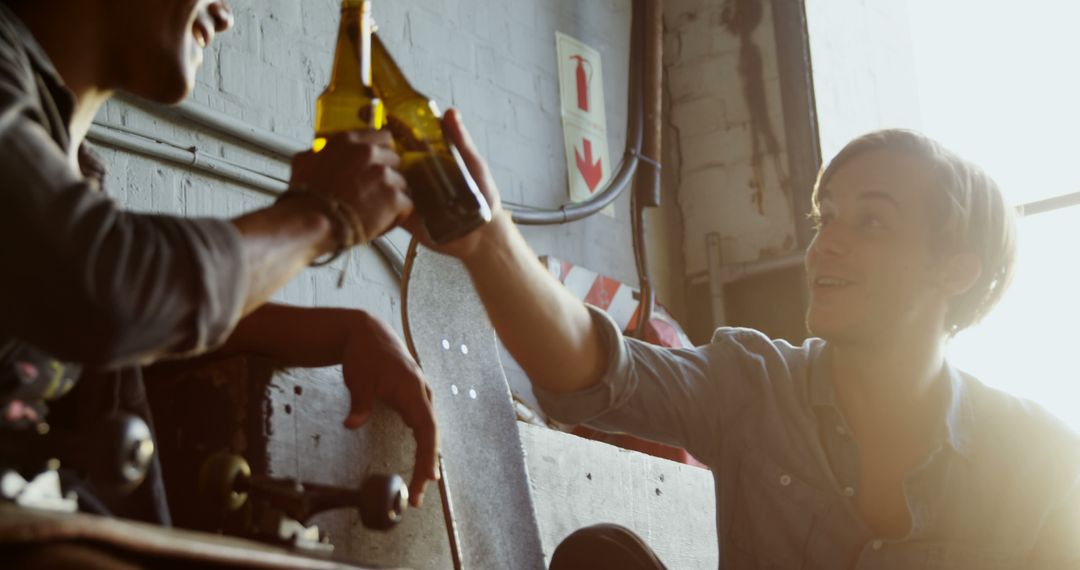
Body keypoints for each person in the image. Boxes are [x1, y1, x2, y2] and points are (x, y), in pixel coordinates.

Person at [422, 113, 1080, 566]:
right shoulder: (753, 382)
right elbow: (595, 370)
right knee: (597, 558)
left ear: (954, 268)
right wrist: (486, 238)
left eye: (873, 220)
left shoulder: (1039, 459)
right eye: (827, 218)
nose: (825, 245)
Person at [0, 0, 438, 537]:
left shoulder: (67, 168)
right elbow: (104, 289)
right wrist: (322, 216)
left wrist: (345, 328)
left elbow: (105, 307)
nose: (226, 14)